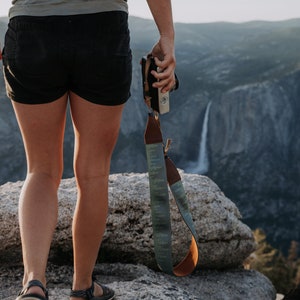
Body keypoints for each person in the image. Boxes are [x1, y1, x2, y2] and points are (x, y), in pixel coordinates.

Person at [1, 0, 176, 299]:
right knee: (93, 173)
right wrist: (167, 37)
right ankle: (82, 286)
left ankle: (33, 283)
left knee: (41, 170)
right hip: (102, 29)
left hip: (32, 29)